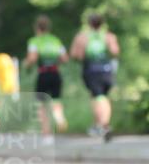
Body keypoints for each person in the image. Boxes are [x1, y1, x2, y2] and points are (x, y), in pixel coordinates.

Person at [71, 13, 120, 141]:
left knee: (97, 97)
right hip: (107, 70)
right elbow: (115, 52)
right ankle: (103, 125)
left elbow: (76, 55)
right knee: (104, 97)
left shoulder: (82, 37)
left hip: (91, 70)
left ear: (89, 23)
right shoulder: (109, 36)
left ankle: (102, 125)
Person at [23, 15, 68, 143]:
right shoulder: (55, 40)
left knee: (42, 105)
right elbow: (65, 58)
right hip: (55, 73)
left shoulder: (35, 41)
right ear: (48, 27)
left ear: (37, 27)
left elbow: (32, 59)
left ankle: (46, 134)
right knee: (56, 100)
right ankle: (59, 119)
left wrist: (26, 65)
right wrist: (55, 62)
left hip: (43, 74)